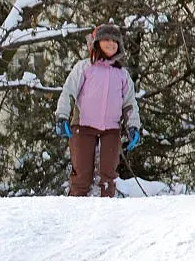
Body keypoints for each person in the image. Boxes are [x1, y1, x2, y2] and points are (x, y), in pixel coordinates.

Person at [55, 23, 142, 198]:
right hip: (83, 126)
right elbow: (69, 92)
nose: (111, 44)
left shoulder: (122, 74)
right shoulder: (84, 67)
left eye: (115, 41)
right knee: (82, 174)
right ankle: (76, 210)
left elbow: (129, 104)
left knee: (108, 175)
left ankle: (107, 213)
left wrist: (133, 127)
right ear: (97, 43)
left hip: (111, 129)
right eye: (106, 40)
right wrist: (62, 116)